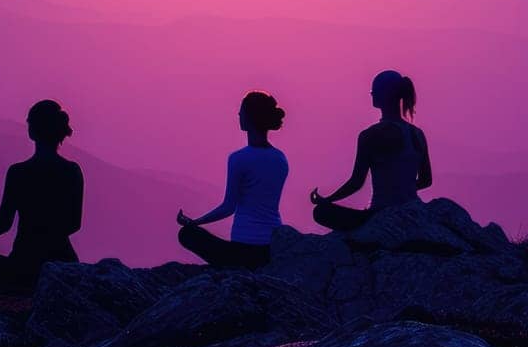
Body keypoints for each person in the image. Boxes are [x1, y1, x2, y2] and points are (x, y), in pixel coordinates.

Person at [0, 99, 83, 288]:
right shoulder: (72, 170)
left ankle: (0, 283)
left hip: (23, 265)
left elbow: (3, 224)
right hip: (63, 265)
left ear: (32, 131)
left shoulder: (19, 172)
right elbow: (74, 224)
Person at [176, 91, 289, 268]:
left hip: (242, 249)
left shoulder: (239, 158)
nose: (238, 115)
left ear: (250, 117)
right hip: (270, 248)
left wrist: (194, 223)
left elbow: (228, 207)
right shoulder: (280, 158)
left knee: (186, 234)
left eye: (241, 111)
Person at [310, 70, 432, 232]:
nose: (371, 95)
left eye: (373, 92)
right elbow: (426, 180)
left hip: (381, 213)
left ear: (382, 95)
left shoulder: (371, 135)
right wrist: (404, 189)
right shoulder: (417, 134)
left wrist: (328, 200)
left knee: (321, 212)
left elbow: (356, 182)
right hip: (414, 209)